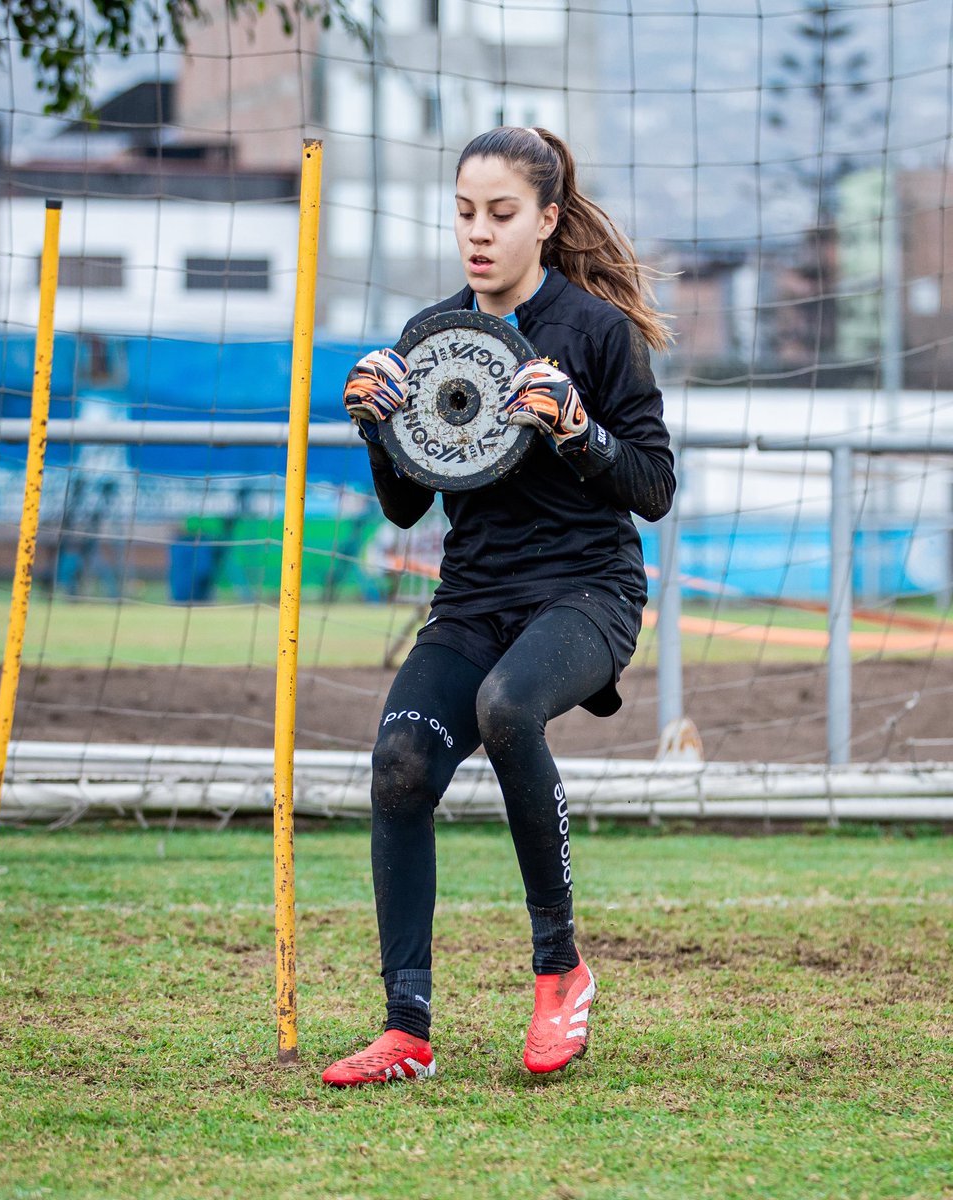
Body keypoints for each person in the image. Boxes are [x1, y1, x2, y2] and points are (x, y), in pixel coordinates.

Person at [322, 126, 675, 1087]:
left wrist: (576, 426)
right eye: (465, 213)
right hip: (474, 599)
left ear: (547, 221)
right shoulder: (430, 335)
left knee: (507, 707)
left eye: (502, 214)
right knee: (397, 765)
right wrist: (375, 429)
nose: (478, 233)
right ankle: (407, 1030)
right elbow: (405, 504)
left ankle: (560, 971)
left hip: (589, 594)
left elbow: (652, 486)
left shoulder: (595, 333)